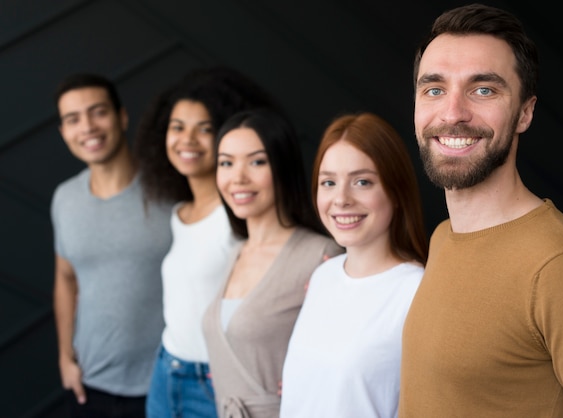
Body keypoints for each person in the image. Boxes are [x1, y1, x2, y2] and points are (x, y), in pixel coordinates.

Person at [399, 4, 563, 417]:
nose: (452, 113)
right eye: (434, 89)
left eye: (483, 90)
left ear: (525, 112)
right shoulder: (445, 236)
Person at [133, 67, 282, 418]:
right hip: (166, 370)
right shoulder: (179, 212)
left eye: (204, 129)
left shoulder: (240, 214)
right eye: (177, 127)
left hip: (215, 382)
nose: (187, 139)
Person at [279, 112, 429, 418]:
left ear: (396, 191)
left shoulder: (417, 292)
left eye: (362, 182)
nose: (341, 199)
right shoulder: (324, 275)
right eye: (329, 182)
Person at [202, 108, 344, 418]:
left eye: (256, 162)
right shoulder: (235, 252)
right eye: (226, 163)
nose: (237, 177)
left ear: (282, 167)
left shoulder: (321, 255)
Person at [51, 73, 173, 418]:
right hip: (89, 388)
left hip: (166, 387)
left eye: (98, 112)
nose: (87, 126)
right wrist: (64, 356)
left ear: (121, 116)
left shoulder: (170, 189)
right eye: (73, 119)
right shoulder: (65, 198)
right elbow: (65, 278)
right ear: (64, 133)